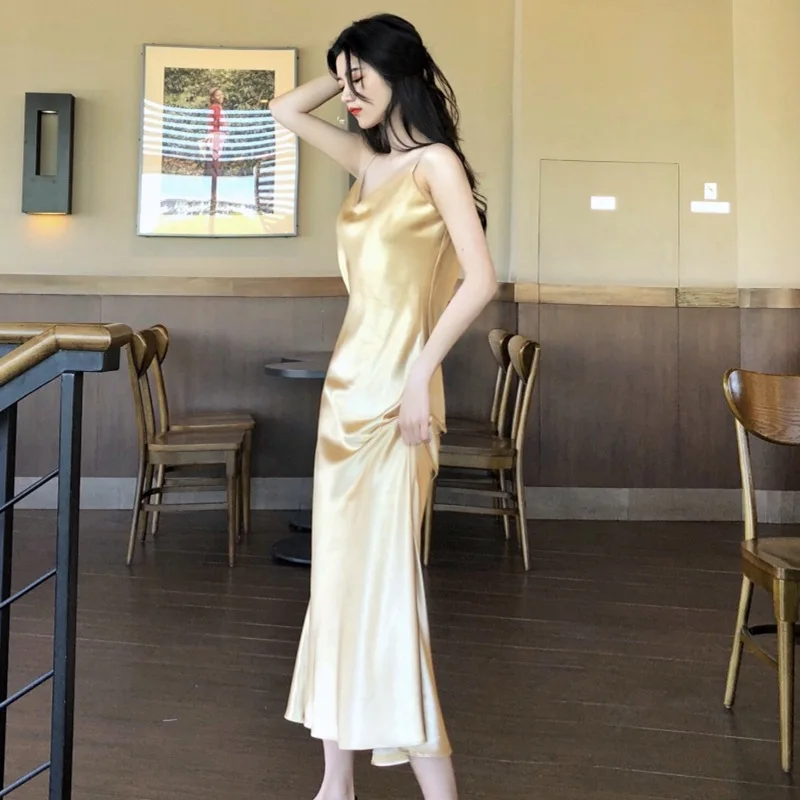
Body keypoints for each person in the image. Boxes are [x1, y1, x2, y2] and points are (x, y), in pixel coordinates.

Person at [270, 13, 497, 800]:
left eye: (361, 77)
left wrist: (419, 376)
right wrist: (344, 70)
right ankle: (336, 781)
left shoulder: (436, 165)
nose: (349, 94)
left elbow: (481, 279)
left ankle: (436, 787)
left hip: (401, 401)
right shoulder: (365, 161)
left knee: (387, 590)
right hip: (344, 396)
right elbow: (283, 110)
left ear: (400, 72)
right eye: (343, 81)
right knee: (333, 585)